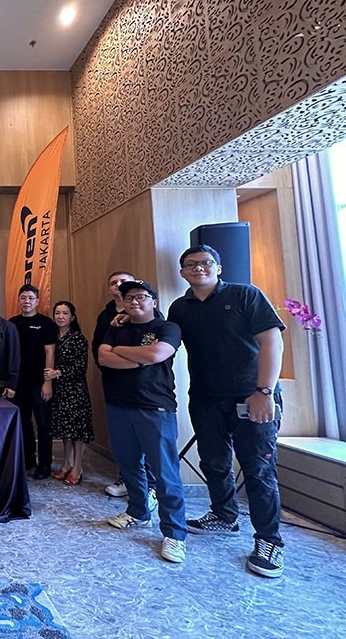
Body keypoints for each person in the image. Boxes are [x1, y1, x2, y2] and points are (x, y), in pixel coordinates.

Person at [168, 245, 287, 578]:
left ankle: (269, 540)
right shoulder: (180, 307)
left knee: (258, 470)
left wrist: (264, 392)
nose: (199, 268)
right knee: (213, 461)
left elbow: (272, 341)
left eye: (206, 263)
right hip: (205, 397)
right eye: (191, 264)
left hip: (252, 396)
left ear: (218, 267)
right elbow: (165, 339)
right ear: (182, 272)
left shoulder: (246, 295)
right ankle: (223, 515)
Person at [98, 280, 187, 563]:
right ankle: (138, 511)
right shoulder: (116, 327)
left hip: (155, 408)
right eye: (129, 298)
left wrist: (121, 351)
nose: (134, 302)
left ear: (153, 301)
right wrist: (140, 358)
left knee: (165, 473)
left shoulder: (167, 328)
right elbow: (103, 358)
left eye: (141, 297)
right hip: (118, 405)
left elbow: (158, 354)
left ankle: (174, 533)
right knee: (129, 465)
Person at [93, 270, 158, 505]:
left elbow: (153, 354)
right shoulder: (106, 317)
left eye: (124, 282)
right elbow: (100, 352)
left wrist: (120, 354)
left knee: (149, 445)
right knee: (125, 445)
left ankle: (152, 488)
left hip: (148, 391)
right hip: (116, 386)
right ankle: (128, 484)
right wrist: (121, 361)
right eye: (114, 283)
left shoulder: (156, 319)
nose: (119, 285)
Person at [9, 284, 57, 477]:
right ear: (18, 300)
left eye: (30, 298)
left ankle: (44, 464)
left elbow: (50, 352)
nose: (26, 301)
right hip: (19, 383)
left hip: (40, 383)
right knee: (23, 423)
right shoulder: (12, 323)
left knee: (43, 424)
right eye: (23, 297)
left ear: (37, 301)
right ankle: (28, 459)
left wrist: (48, 382)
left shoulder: (46, 323)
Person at [45, 301, 93, 486]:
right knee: (66, 429)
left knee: (77, 430)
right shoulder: (53, 336)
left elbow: (80, 367)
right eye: (57, 313)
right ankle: (66, 464)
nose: (60, 316)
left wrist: (58, 373)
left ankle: (77, 467)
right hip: (59, 390)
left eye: (65, 313)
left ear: (72, 317)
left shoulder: (78, 338)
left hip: (75, 390)